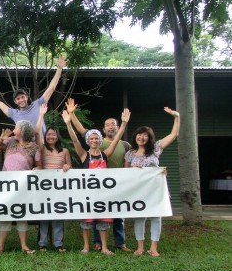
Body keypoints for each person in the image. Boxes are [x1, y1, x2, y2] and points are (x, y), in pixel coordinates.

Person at [63, 103, 131, 256]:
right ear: (88, 141)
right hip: (87, 194)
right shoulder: (84, 155)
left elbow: (116, 140)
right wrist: (68, 123)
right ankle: (86, 247)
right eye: (91, 138)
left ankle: (105, 247)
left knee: (103, 221)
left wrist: (124, 123)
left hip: (103, 194)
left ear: (99, 141)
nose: (94, 141)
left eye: (96, 138)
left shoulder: (105, 154)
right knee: (86, 221)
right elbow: (75, 140)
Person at [125, 107, 180, 257]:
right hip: (138, 191)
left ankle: (153, 248)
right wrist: (134, 169)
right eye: (139, 134)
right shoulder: (130, 153)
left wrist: (176, 116)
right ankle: (140, 247)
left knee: (156, 217)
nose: (141, 137)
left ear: (150, 138)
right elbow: (125, 173)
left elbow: (174, 134)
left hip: (155, 189)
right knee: (139, 217)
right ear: (135, 136)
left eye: (145, 135)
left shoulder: (156, 148)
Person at [0, 110, 45, 255]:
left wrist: (36, 169)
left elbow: (39, 165)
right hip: (6, 186)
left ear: (22, 131)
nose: (13, 130)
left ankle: (24, 245)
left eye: (16, 128)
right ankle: (0, 246)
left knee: (22, 215)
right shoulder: (10, 142)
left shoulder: (34, 147)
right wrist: (1, 138)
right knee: (5, 215)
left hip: (23, 187)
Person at [0, 55, 66, 132]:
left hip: (41, 144)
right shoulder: (14, 113)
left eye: (22, 97)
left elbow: (51, 88)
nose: (21, 100)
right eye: (18, 99)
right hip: (25, 146)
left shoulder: (38, 104)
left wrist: (59, 69)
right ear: (15, 101)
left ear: (27, 97)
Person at [37, 119, 72, 252]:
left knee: (58, 215)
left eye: (53, 134)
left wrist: (66, 166)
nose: (50, 136)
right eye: (48, 134)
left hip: (59, 188)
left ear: (57, 136)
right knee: (44, 216)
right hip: (44, 187)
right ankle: (42, 243)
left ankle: (58, 244)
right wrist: (40, 115)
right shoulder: (42, 148)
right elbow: (37, 132)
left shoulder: (65, 151)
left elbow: (69, 167)